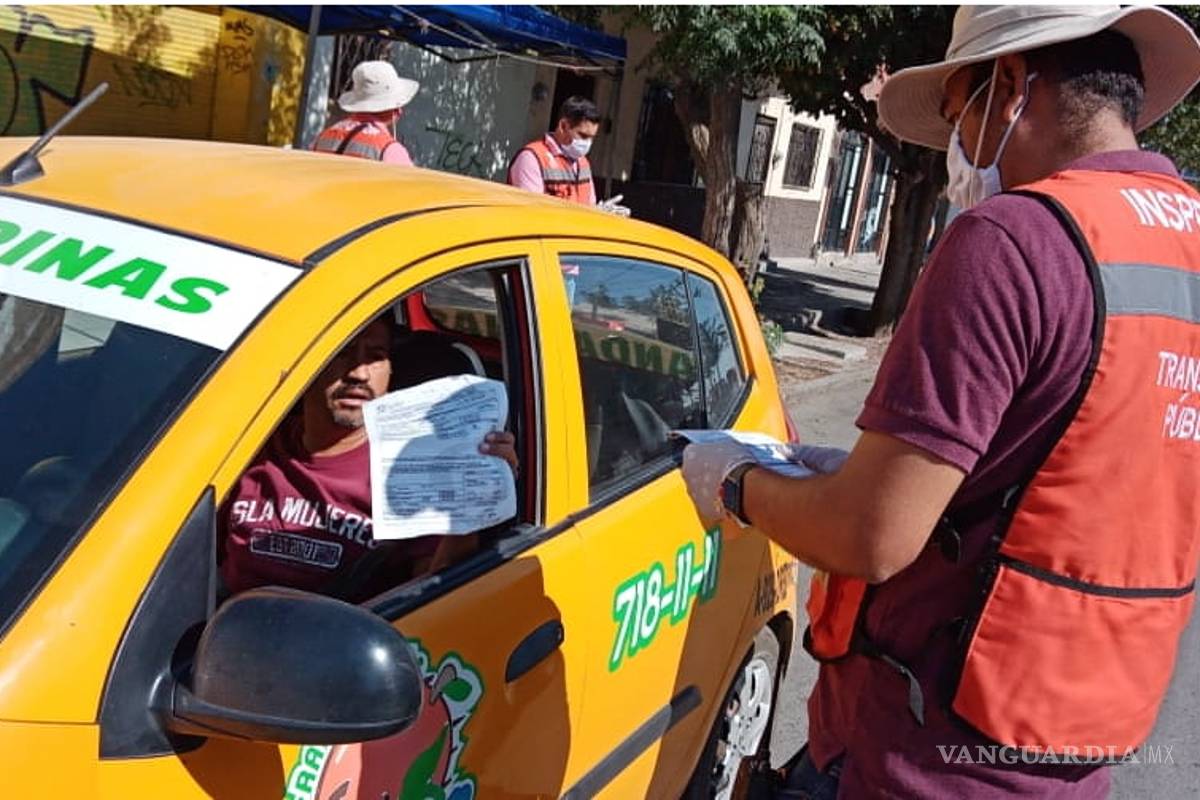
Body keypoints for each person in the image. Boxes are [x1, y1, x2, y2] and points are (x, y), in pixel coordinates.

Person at [680, 5, 1200, 799]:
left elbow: (870, 535)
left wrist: (735, 484)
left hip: (918, 757)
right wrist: (866, 472)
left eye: (960, 115)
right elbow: (1075, 465)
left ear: (1015, 84)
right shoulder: (1185, 243)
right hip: (1074, 749)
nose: (956, 150)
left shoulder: (1016, 240)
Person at [218, 314, 517, 601]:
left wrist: (476, 502)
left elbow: (434, 593)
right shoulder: (252, 443)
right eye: (343, 351)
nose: (359, 374)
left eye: (375, 356)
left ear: (390, 373)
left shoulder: (409, 464)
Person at [312, 61, 419, 165]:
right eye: (397, 103)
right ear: (392, 108)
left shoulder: (325, 136)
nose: (399, 110)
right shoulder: (390, 150)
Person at [508, 95, 601, 204]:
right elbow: (530, 212)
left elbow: (590, 206)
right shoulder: (532, 159)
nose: (587, 143)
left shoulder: (583, 163)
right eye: (583, 136)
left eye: (592, 138)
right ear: (563, 126)